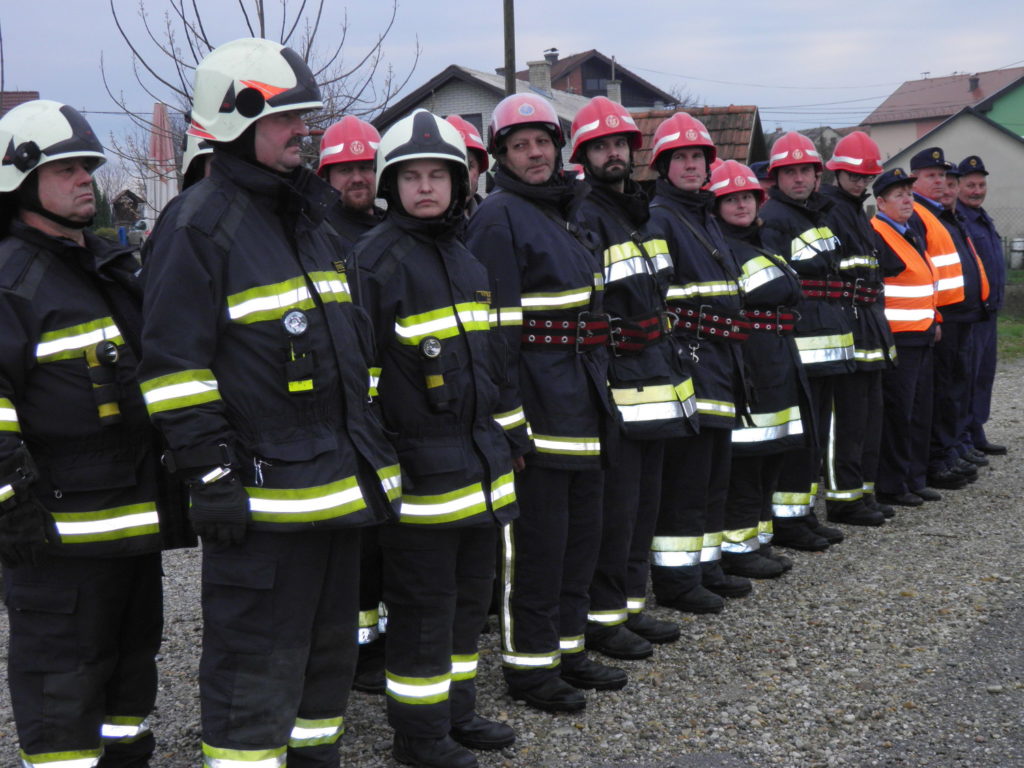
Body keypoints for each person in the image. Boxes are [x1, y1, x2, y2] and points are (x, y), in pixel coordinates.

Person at [138, 38, 401, 767]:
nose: (303, 132)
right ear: (236, 117)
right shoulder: (197, 226)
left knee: (324, 665)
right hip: (262, 506)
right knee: (253, 671)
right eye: (287, 118)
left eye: (304, 118)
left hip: (336, 494)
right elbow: (172, 371)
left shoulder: (306, 220)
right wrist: (213, 476)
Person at [0, 99, 188, 768]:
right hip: (58, 537)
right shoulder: (12, 282)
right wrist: (8, 503)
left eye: (88, 166)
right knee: (62, 684)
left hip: (131, 526)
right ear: (21, 181)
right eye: (67, 169)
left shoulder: (108, 268)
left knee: (130, 674)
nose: (87, 179)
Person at [351, 109, 518, 768]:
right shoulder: (373, 263)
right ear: (390, 185)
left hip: (477, 468)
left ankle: (456, 713)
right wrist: (383, 467)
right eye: (411, 176)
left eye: (437, 175)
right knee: (422, 609)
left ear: (458, 182)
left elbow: (491, 368)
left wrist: (507, 443)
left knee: (469, 603)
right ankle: (418, 738)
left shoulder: (468, 261)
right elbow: (358, 386)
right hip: (417, 475)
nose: (425, 187)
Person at [464, 92, 620, 713]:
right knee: (537, 548)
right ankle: (530, 667)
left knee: (581, 539)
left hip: (583, 401)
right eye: (519, 145)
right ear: (502, 155)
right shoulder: (498, 218)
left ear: (559, 148)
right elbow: (493, 336)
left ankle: (568, 648)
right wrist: (509, 426)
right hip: (537, 411)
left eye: (542, 142)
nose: (534, 153)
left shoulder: (564, 212)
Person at [568, 97, 697, 659]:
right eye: (601, 146)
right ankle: (603, 620)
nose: (613, 153)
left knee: (645, 504)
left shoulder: (638, 212)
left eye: (619, 143)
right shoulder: (584, 214)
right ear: (584, 156)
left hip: (657, 377)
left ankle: (631, 606)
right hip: (617, 380)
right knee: (616, 510)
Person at [647, 112, 750, 612]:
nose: (691, 165)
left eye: (697, 157)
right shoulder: (660, 218)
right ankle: (677, 580)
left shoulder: (702, 214)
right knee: (687, 480)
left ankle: (706, 565)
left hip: (720, 358)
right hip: (689, 358)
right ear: (662, 165)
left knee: (713, 475)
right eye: (681, 157)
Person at [316, 113, 389, 694]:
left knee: (390, 533)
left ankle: (383, 638)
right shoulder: (317, 237)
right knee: (357, 539)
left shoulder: (389, 230)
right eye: (346, 169)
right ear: (326, 176)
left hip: (397, 405)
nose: (358, 177)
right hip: (349, 408)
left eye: (366, 166)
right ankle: (357, 654)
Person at [709, 160, 809, 579]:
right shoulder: (722, 250)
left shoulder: (760, 243)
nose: (741, 204)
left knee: (772, 452)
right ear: (716, 206)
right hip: (751, 359)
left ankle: (758, 538)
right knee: (748, 459)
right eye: (731, 198)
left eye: (747, 196)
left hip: (777, 356)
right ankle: (737, 546)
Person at [759, 131, 855, 551]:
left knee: (814, 437)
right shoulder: (775, 219)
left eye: (805, 171)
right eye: (790, 172)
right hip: (800, 346)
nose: (798, 178)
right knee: (798, 440)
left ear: (817, 175)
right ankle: (788, 521)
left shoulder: (816, 214)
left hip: (825, 344)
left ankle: (803, 513)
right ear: (776, 177)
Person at [819, 132, 897, 526]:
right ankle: (843, 500)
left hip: (868, 324)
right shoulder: (830, 210)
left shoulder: (856, 211)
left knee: (868, 417)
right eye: (853, 176)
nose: (859, 182)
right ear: (837, 173)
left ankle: (864, 492)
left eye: (865, 177)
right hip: (847, 325)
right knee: (846, 420)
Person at [907, 147, 989, 491]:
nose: (940, 182)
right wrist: (935, 315)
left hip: (961, 314)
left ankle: (951, 448)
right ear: (915, 180)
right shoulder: (918, 215)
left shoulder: (942, 214)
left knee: (956, 387)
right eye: (931, 176)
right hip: (943, 316)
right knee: (941, 391)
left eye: (943, 175)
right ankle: (938, 458)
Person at [870, 169, 941, 507]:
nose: (907, 200)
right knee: (898, 415)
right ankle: (892, 484)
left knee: (919, 412)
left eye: (909, 194)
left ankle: (913, 477)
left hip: (920, 334)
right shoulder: (877, 233)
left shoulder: (908, 231)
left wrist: (935, 318)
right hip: (898, 337)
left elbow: (924, 280)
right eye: (898, 195)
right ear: (880, 202)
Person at [957, 155, 1007, 456]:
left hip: (990, 312)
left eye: (981, 185)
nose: (977, 191)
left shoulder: (982, 217)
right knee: (967, 376)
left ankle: (976, 430)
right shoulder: (960, 219)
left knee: (984, 375)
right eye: (971, 185)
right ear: (958, 186)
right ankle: (963, 436)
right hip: (972, 314)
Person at [445, 115, 489, 214]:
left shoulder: (495, 218)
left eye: (468, 166)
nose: (460, 176)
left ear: (479, 171)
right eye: (450, 166)